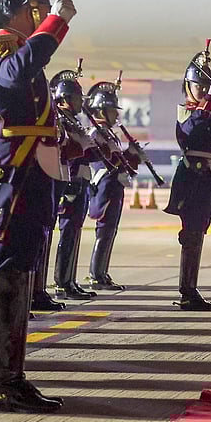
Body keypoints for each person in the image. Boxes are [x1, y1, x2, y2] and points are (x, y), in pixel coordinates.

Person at [0, 0, 74, 412]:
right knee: (9, 277)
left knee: (21, 272)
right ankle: (5, 379)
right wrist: (57, 24)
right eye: (38, 5)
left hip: (30, 177)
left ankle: (14, 375)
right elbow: (16, 74)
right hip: (10, 182)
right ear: (22, 7)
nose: (43, 11)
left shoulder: (17, 50)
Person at [165, 44, 211, 311]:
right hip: (194, 180)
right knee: (191, 235)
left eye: (205, 84)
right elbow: (193, 130)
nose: (202, 88)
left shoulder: (204, 113)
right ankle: (187, 290)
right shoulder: (188, 112)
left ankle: (190, 287)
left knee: (197, 233)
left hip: (208, 179)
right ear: (187, 85)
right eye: (197, 84)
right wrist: (209, 99)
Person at [85, 79, 139, 291]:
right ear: (102, 111)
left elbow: (118, 159)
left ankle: (101, 272)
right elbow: (102, 159)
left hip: (114, 186)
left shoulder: (108, 133)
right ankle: (95, 274)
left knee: (110, 230)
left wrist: (132, 155)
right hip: (105, 185)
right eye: (112, 110)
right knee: (104, 230)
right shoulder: (96, 133)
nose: (116, 115)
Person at [50, 66, 97, 301]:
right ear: (65, 99)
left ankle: (68, 280)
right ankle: (62, 282)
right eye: (78, 98)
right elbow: (67, 151)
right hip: (68, 180)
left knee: (74, 232)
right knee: (68, 231)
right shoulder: (61, 120)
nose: (81, 102)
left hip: (79, 180)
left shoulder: (73, 121)